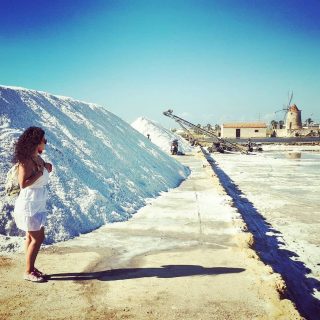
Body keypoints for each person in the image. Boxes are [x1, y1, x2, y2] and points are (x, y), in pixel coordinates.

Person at [12, 127, 52, 282]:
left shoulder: (37, 158)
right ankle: (28, 271)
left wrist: (47, 168)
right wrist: (40, 173)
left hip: (37, 201)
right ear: (36, 142)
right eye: (44, 140)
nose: (46, 143)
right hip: (29, 202)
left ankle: (30, 267)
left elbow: (40, 174)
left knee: (30, 236)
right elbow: (23, 183)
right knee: (38, 237)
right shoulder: (26, 161)